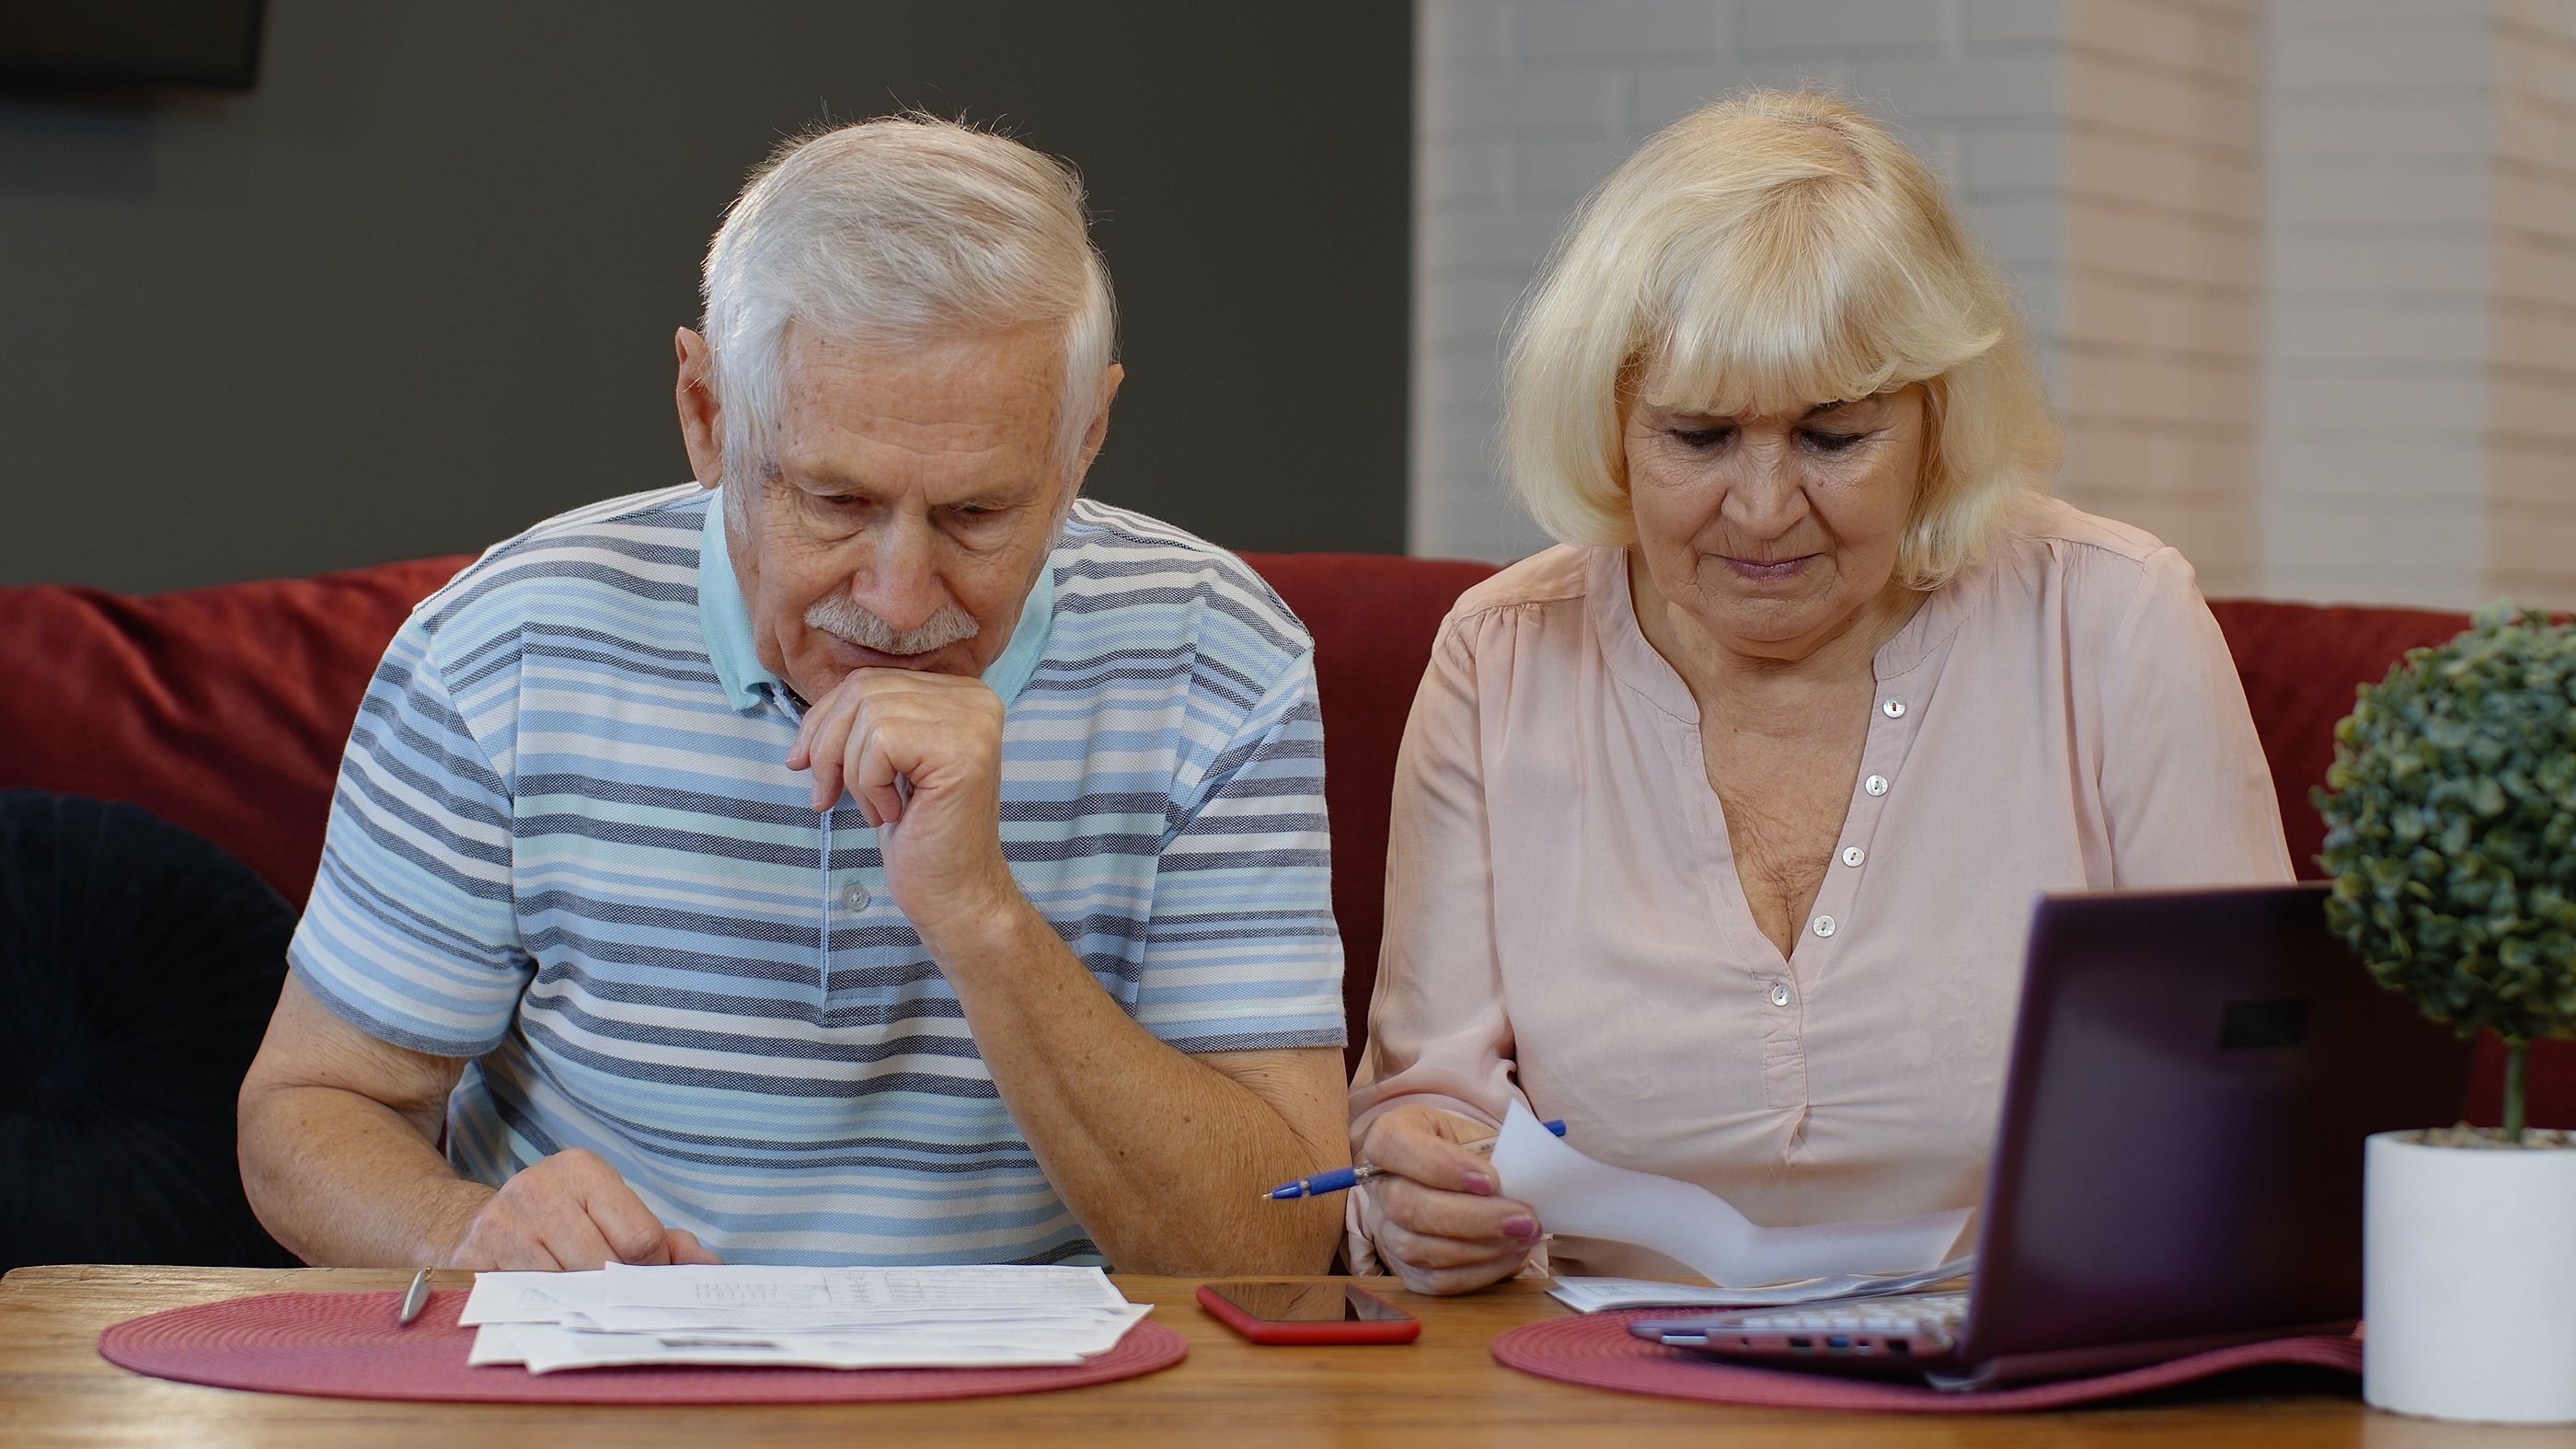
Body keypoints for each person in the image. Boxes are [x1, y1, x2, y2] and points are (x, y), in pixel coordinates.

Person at [237, 116, 1351, 1272]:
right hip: (615, 1382)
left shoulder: (1222, 660)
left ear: (1087, 436)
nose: (904, 598)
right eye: (834, 501)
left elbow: (1276, 1244)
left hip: (1055, 1397)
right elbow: (307, 1114)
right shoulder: (502, 647)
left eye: (977, 515)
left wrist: (978, 916)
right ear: (707, 414)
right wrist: (463, 1233)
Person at [1345, 89, 2292, 1294]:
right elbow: (1423, 1108)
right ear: (1610, 422)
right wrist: (1421, 1191)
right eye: (1696, 437)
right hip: (1598, 1379)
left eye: (1832, 437)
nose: (1761, 507)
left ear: (1938, 420)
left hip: (2022, 1372)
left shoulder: (2111, 618)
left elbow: (2253, 1084)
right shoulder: (1502, 655)